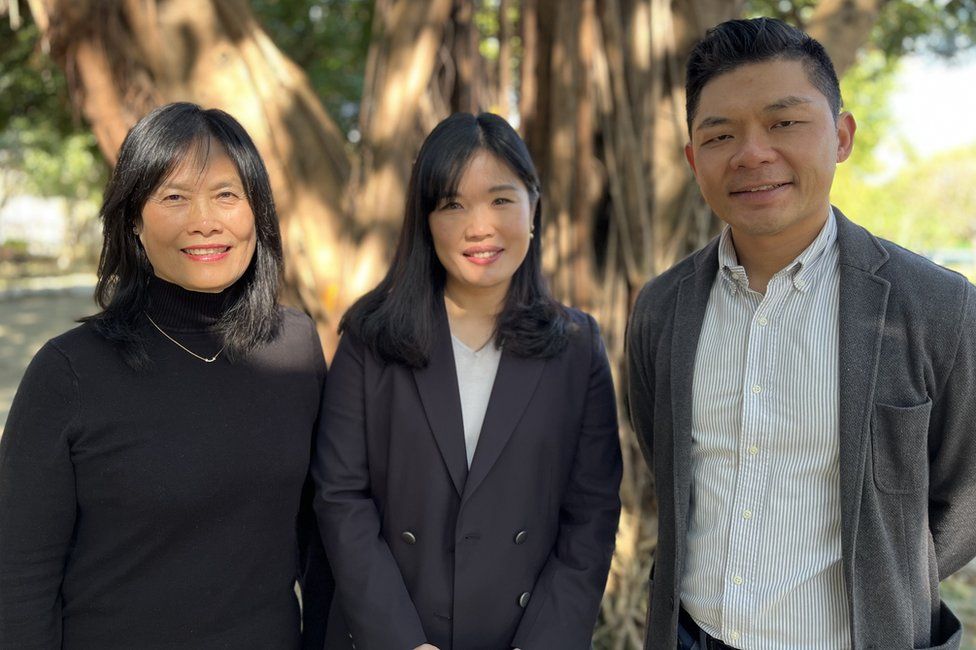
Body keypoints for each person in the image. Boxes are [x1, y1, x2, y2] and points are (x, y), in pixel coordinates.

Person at [627, 17, 976, 650]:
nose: (753, 153)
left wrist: (888, 573)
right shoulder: (660, 310)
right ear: (692, 159)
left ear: (841, 136)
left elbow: (965, 496)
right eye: (720, 134)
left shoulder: (937, 308)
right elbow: (671, 465)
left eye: (784, 123)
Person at [0, 102, 330, 649]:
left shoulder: (294, 346)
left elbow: (319, 537)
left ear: (257, 212)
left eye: (227, 194)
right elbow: (18, 580)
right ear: (134, 220)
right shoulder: (69, 373)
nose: (206, 220)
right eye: (174, 197)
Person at [313, 112, 622, 650]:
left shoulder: (577, 348)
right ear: (425, 220)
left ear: (533, 208)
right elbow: (341, 497)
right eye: (452, 204)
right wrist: (400, 641)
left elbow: (590, 516)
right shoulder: (371, 339)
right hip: (388, 634)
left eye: (501, 199)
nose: (479, 226)